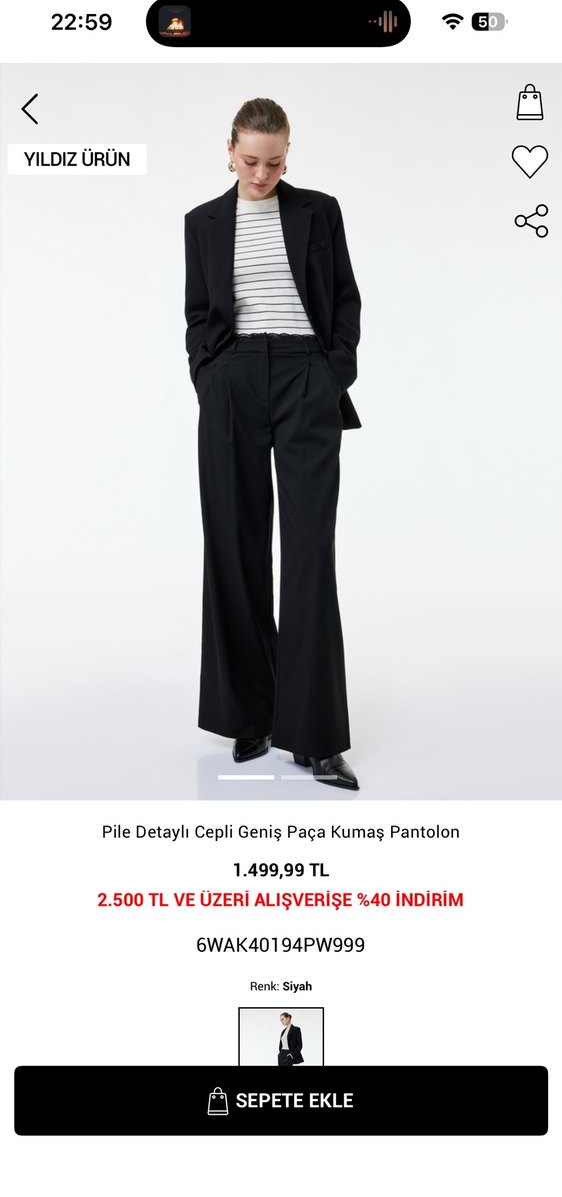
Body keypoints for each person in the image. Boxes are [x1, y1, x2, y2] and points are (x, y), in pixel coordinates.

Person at [184, 97, 361, 790]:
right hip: (232, 380)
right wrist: (210, 377)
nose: (262, 175)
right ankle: (249, 716)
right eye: (251, 161)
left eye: (276, 162)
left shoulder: (320, 211)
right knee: (234, 544)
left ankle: (316, 736)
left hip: (304, 375)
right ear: (229, 151)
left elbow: (344, 298)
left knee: (310, 550)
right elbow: (199, 313)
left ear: (289, 156)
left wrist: (332, 372)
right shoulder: (202, 223)